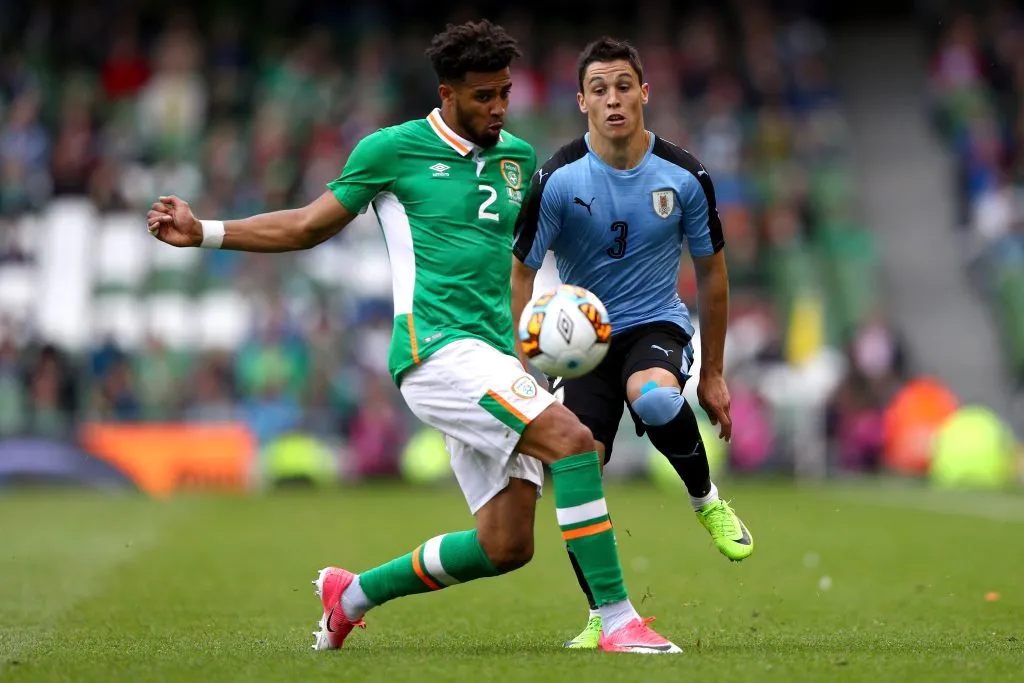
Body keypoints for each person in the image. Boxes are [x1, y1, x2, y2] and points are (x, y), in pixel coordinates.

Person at [147, 21, 681, 655]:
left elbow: (533, 253)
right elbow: (306, 226)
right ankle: (618, 622)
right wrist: (204, 230)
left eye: (505, 92)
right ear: (446, 94)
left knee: (505, 545)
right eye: (484, 95)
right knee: (573, 442)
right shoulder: (390, 150)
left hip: (495, 358)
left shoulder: (518, 159)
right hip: (436, 351)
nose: (499, 107)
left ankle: (350, 596)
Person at [511, 36, 754, 650]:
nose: (613, 99)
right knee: (577, 463)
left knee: (653, 396)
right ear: (582, 102)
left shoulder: (685, 176)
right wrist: (527, 363)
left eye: (623, 87)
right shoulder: (557, 179)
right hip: (583, 341)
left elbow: (714, 274)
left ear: (644, 93)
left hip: (655, 323)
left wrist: (715, 374)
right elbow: (519, 273)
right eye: (600, 90)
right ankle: (604, 614)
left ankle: (705, 498)